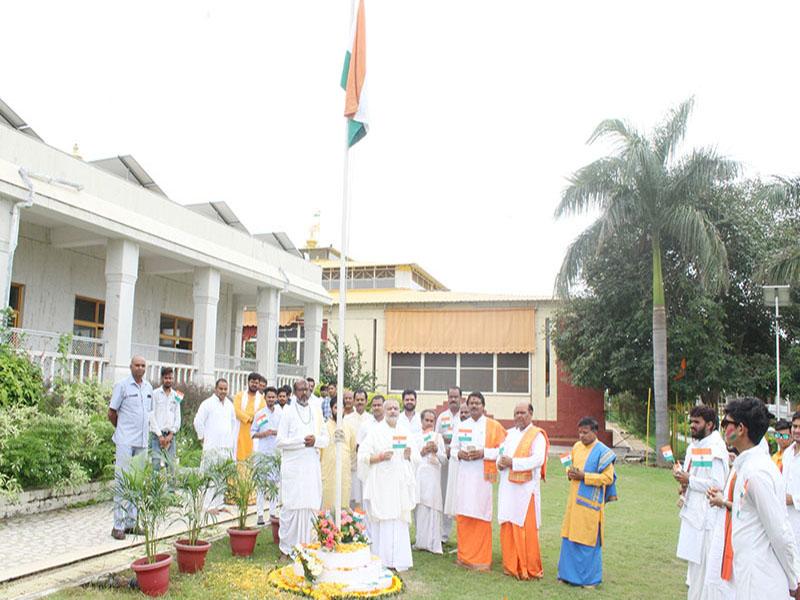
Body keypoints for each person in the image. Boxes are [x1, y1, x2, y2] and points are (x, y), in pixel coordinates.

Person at [716, 397, 800, 599]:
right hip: (748, 574)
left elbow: (779, 531)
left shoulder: (757, 473)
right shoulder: (747, 466)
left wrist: (794, 579)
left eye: (726, 423)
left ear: (741, 429)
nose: (723, 429)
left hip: (762, 580)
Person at [673, 405, 729, 599]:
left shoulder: (715, 447)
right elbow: (693, 476)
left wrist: (690, 480)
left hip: (707, 520)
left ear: (710, 424)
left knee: (706, 573)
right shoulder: (694, 446)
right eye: (691, 422)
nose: (692, 426)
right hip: (693, 516)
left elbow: (717, 483)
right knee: (694, 573)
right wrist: (684, 482)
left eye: (697, 422)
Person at [358, 398, 418, 571]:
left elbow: (416, 457)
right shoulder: (375, 431)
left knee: (398, 520)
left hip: (399, 486)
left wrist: (409, 455)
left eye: (395, 408)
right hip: (381, 485)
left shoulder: (404, 431)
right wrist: (379, 457)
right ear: (384, 411)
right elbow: (362, 455)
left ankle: (399, 560)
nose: (393, 411)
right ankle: (382, 560)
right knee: (383, 520)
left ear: (399, 411)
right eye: (389, 408)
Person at [557, 416, 617, 588]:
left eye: (585, 432)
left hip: (590, 503)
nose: (581, 436)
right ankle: (567, 575)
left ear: (595, 432)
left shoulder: (603, 452)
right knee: (569, 536)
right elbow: (572, 467)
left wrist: (585, 476)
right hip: (573, 501)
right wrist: (570, 472)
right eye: (580, 432)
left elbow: (607, 478)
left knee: (588, 538)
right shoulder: (576, 447)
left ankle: (589, 580)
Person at [451, 391, 507, 571]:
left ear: (483, 406)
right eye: (471, 403)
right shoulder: (461, 425)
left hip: (483, 478)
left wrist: (484, 453)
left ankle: (481, 559)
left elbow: (504, 449)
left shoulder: (493, 426)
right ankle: (464, 557)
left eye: (477, 403)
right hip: (465, 476)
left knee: (481, 513)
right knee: (465, 512)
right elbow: (452, 449)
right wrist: (459, 454)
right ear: (466, 406)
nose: (474, 406)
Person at [276, 378, 329, 556]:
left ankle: (310, 544)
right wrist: (301, 441)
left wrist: (316, 441)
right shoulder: (288, 412)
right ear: (294, 392)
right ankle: (288, 547)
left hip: (311, 466)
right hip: (293, 467)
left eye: (306, 389)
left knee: (310, 504)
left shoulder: (317, 411)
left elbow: (325, 438)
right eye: (300, 390)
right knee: (292, 506)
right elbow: (280, 441)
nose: (304, 393)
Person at [497, 403, 549, 580]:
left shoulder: (537, 436)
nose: (519, 416)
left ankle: (528, 567)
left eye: (522, 413)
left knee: (524, 527)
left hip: (526, 490)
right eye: (516, 413)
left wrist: (514, 463)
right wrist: (500, 463)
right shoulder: (509, 434)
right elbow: (501, 453)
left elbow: (538, 459)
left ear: (531, 414)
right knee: (508, 522)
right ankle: (511, 565)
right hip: (507, 486)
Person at [108, 355, 154, 540]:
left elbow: (148, 414)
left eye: (143, 365)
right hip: (126, 442)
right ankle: (117, 525)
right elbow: (111, 413)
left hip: (142, 442)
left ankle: (131, 523)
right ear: (131, 367)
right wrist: (122, 430)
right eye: (137, 365)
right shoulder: (122, 386)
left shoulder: (148, 387)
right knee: (122, 482)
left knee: (136, 484)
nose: (140, 368)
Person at [193, 378, 237, 512]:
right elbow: (198, 422)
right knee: (210, 476)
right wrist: (202, 438)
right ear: (215, 389)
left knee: (222, 476)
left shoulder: (229, 404)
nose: (223, 391)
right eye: (221, 389)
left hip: (226, 446)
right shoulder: (207, 404)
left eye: (225, 389)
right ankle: (207, 505)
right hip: (211, 446)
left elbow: (233, 423)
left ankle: (219, 503)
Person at [414, 409, 446, 554]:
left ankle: (433, 543)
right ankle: (421, 542)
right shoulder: (415, 437)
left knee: (433, 508)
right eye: (426, 420)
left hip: (433, 476)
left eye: (431, 421)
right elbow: (412, 458)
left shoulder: (438, 437)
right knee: (421, 509)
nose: (428, 423)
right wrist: (422, 451)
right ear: (421, 421)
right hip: (420, 476)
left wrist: (437, 450)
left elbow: (444, 460)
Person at [251, 386, 282, 527]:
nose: (271, 399)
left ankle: (273, 512)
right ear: (265, 398)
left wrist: (276, 433)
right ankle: (259, 514)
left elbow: (284, 432)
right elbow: (253, 433)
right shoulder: (260, 414)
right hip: (263, 453)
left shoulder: (280, 414)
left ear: (276, 398)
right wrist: (263, 434)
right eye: (268, 397)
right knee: (261, 485)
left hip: (275, 454)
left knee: (274, 485)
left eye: (273, 397)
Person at [321, 397, 356, 511]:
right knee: (328, 506)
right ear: (331, 409)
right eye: (336, 408)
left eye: (341, 408)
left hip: (344, 472)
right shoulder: (324, 427)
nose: (339, 411)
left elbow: (352, 448)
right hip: (328, 472)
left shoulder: (349, 427)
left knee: (343, 505)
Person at [436, 387, 462, 543]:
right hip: (446, 462)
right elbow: (437, 437)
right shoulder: (442, 417)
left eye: (456, 396)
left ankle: (463, 537)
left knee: (461, 497)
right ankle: (444, 535)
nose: (453, 399)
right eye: (450, 397)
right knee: (446, 496)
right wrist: (444, 448)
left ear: (461, 397)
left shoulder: (465, 415)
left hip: (462, 463)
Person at [148, 366, 181, 474]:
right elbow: (151, 415)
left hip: (171, 436)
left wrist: (172, 433)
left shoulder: (177, 396)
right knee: (156, 464)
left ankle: (171, 490)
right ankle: (155, 490)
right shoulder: (155, 393)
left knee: (171, 465)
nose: (168, 380)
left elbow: (178, 416)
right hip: (157, 436)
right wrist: (160, 435)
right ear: (162, 378)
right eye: (166, 378)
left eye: (170, 378)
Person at [443, 402, 468, 539]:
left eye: (466, 412)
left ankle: (466, 542)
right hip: (457, 470)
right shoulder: (458, 428)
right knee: (458, 506)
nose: (463, 415)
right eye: (462, 413)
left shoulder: (478, 428)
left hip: (472, 474)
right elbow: (453, 448)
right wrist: (458, 454)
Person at [345, 389, 371, 508]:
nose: (360, 402)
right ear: (354, 401)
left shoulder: (372, 420)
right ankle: (351, 525)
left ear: (366, 401)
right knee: (352, 498)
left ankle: (365, 525)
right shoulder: (346, 419)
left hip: (367, 465)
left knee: (365, 498)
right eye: (357, 400)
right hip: (352, 464)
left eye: (362, 400)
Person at [233, 372, 265, 461]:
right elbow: (236, 410)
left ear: (259, 384)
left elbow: (263, 418)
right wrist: (249, 418)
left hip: (254, 435)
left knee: (252, 460)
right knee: (238, 458)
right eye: (252, 382)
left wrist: (253, 420)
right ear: (248, 382)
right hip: (239, 432)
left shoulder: (262, 399)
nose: (254, 384)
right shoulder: (240, 396)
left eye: (256, 383)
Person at [782, 412, 800, 546]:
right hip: (786, 519)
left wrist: (793, 499)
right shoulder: (787, 453)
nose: (797, 430)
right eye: (795, 426)